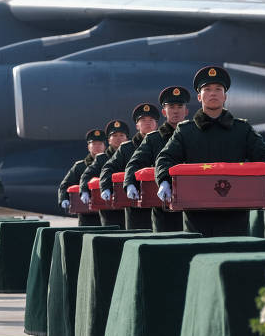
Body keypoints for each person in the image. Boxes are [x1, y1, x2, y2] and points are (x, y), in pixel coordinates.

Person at [155, 66, 265, 237]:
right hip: (196, 213)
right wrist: (164, 180)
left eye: (218, 89)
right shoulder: (186, 131)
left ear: (225, 96)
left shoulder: (242, 129)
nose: (213, 93)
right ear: (199, 96)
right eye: (207, 89)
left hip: (235, 212)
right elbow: (165, 157)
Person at [124, 86, 190, 232]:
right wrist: (130, 183)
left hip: (194, 206)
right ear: (164, 111)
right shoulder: (154, 139)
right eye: (171, 106)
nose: (176, 110)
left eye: (180, 106)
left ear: (186, 111)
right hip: (164, 207)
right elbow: (134, 163)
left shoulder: (194, 134)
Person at [99, 103, 160, 229]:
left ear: (156, 124)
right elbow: (108, 168)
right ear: (137, 125)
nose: (147, 123)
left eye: (151, 120)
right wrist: (105, 187)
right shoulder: (127, 148)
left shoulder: (166, 142)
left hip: (162, 206)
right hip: (135, 208)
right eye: (143, 120)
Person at [79, 120, 129, 228]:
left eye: (122, 135)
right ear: (109, 140)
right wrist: (84, 191)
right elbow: (87, 175)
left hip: (131, 206)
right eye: (114, 135)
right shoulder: (102, 159)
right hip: (109, 209)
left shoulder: (133, 154)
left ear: (127, 138)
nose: (118, 138)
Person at [57, 129, 106, 225]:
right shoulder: (80, 166)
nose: (97, 146)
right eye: (94, 144)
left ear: (104, 146)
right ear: (88, 147)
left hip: (108, 213)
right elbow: (65, 185)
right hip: (86, 215)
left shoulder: (111, 163)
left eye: (100, 144)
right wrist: (64, 199)